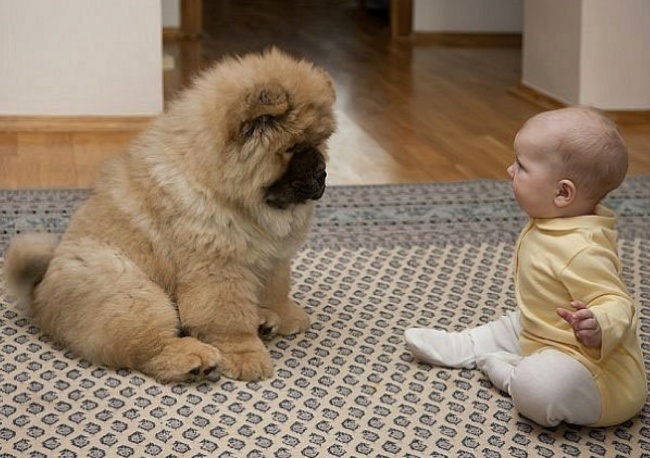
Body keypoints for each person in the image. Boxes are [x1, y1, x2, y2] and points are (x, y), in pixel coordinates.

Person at [405, 106, 647, 427]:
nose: (509, 170)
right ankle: (467, 345)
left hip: (595, 374)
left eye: (521, 166)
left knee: (541, 388)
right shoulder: (555, 219)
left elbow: (619, 304)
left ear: (562, 192)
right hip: (545, 329)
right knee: (517, 322)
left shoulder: (584, 250)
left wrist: (600, 323)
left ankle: (511, 374)